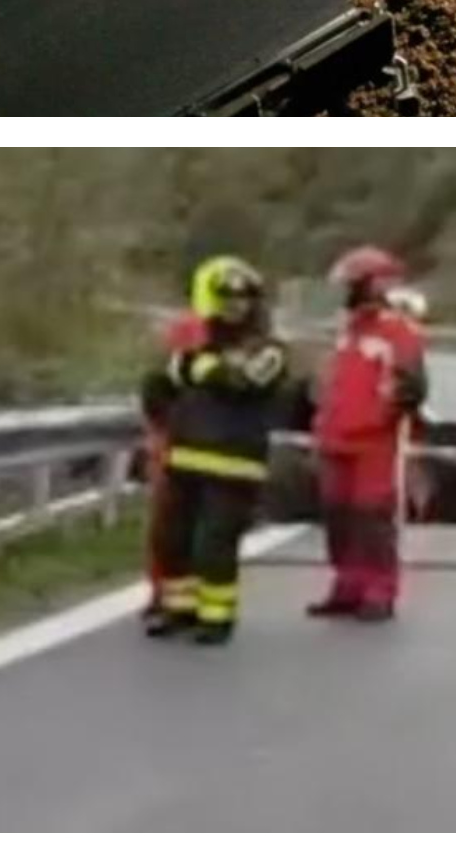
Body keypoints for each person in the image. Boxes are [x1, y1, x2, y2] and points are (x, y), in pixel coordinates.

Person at [141, 255, 294, 645]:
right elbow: (165, 382)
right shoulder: (197, 342)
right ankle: (178, 609)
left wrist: (201, 368)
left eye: (243, 298)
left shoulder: (270, 348)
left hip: (235, 465)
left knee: (215, 545)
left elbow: (243, 380)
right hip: (184, 456)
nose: (234, 305)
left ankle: (217, 617)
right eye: (226, 296)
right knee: (172, 539)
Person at [310, 247, 429, 621]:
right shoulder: (345, 332)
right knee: (338, 516)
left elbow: (413, 387)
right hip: (335, 437)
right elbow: (329, 382)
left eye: (349, 286)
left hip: (374, 441)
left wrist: (387, 412)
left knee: (372, 517)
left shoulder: (397, 332)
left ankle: (379, 589)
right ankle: (347, 585)